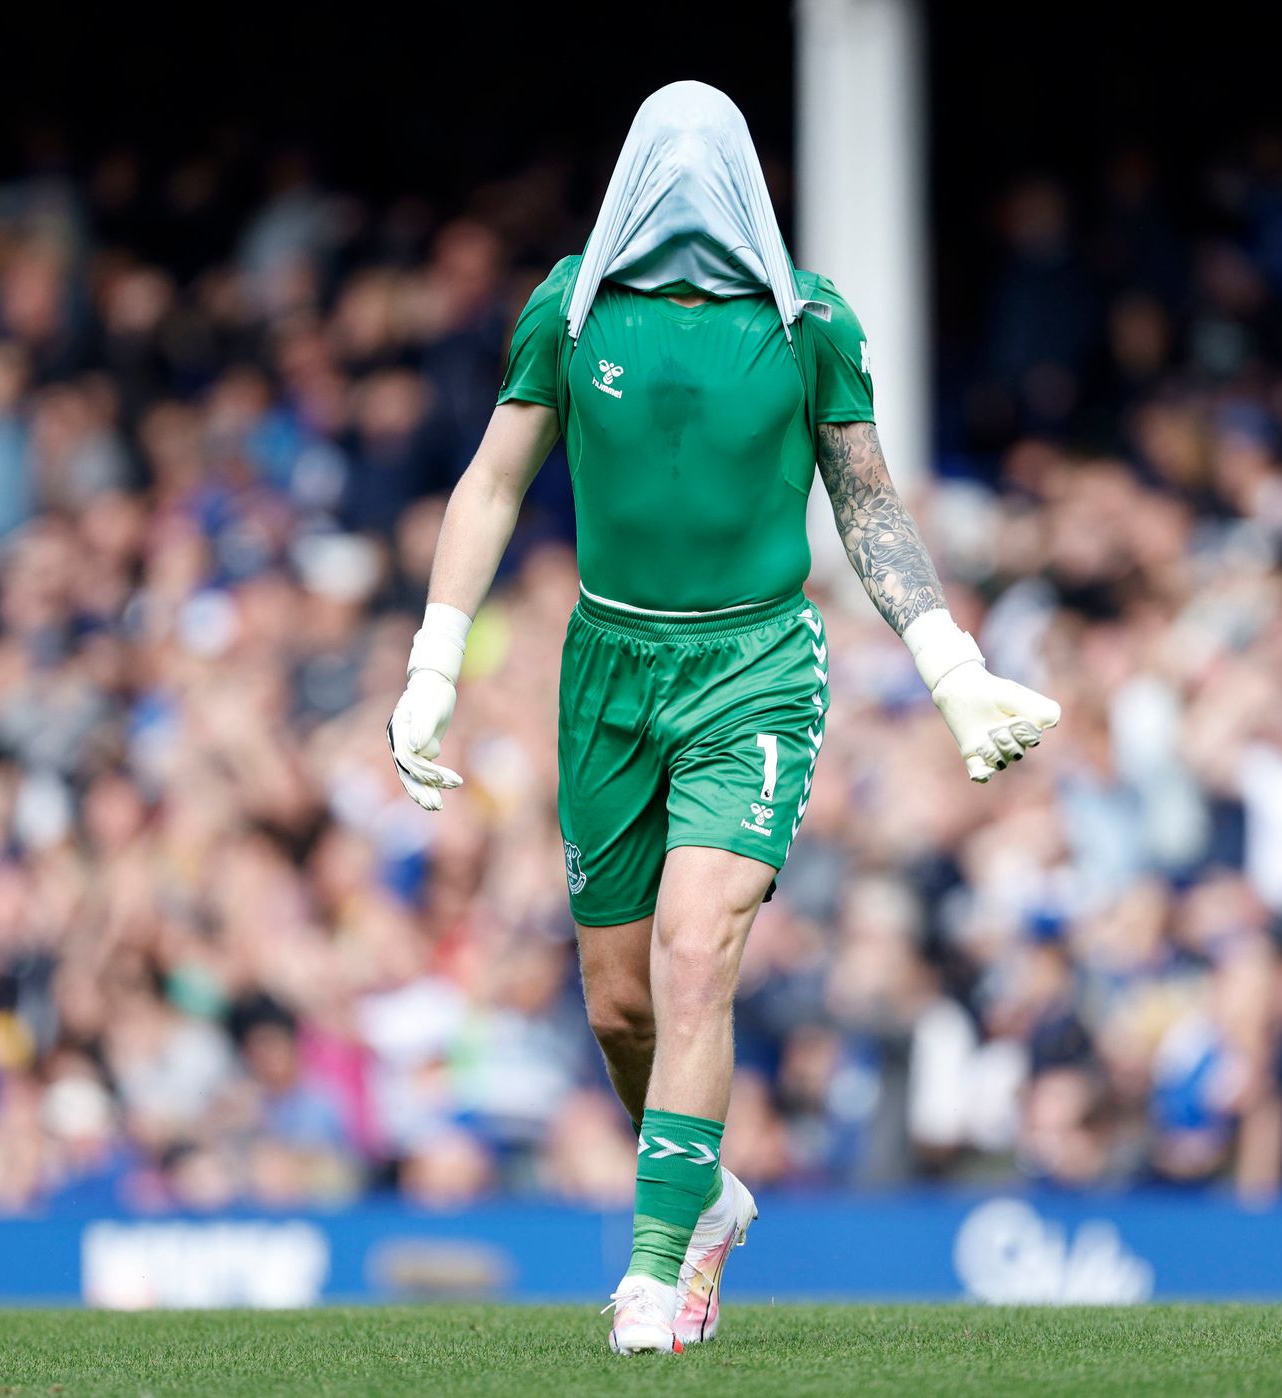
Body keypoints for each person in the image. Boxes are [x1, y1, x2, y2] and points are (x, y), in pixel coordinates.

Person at [385, 80, 1061, 1354]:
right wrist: (435, 661)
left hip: (754, 669)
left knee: (698, 954)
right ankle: (703, 1189)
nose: (688, 179)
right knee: (615, 1003)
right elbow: (489, 484)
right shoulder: (570, 311)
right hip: (606, 671)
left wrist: (951, 665)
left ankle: (656, 1268)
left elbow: (867, 502)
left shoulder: (810, 324)